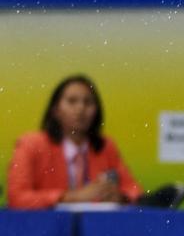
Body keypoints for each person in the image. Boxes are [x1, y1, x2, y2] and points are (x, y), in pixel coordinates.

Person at [7, 75, 142, 209]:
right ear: (55, 110)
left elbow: (136, 192)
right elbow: (17, 198)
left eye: (88, 102)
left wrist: (121, 197)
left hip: (95, 227)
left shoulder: (105, 146)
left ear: (97, 110)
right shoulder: (31, 144)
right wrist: (70, 197)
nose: (80, 109)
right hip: (45, 228)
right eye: (72, 101)